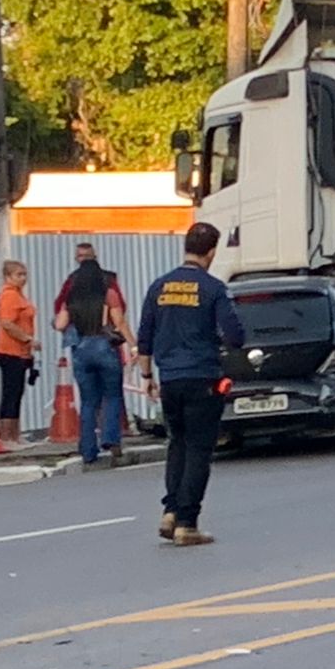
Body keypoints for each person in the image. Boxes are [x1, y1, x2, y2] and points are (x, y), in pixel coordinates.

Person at [136, 222, 244, 547]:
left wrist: (147, 378)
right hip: (203, 378)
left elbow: (144, 337)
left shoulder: (159, 286)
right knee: (198, 448)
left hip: (169, 379)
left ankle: (170, 510)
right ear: (211, 252)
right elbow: (236, 335)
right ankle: (187, 523)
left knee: (177, 443)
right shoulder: (213, 288)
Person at [55, 257, 136, 467]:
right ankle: (111, 439)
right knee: (112, 395)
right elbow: (119, 322)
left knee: (89, 401)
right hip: (104, 347)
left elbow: (60, 324)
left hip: (81, 350)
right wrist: (134, 345)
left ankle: (88, 450)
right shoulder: (108, 294)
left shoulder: (71, 298)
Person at [0, 260, 39, 449]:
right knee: (11, 393)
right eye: (18, 274)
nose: (23, 278)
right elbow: (8, 323)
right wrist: (28, 339)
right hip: (9, 351)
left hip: (20, 352)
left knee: (17, 392)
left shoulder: (19, 295)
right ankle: (6, 437)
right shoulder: (10, 296)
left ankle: (15, 435)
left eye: (24, 274)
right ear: (8, 277)